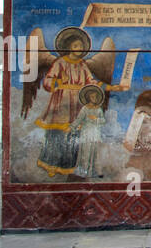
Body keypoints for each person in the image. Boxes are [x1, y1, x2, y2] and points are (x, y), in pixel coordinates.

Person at [35, 28, 117, 177]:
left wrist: (104, 87)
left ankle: (69, 165)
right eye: (75, 46)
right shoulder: (60, 63)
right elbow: (48, 80)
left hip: (78, 104)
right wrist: (56, 81)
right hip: (61, 102)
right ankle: (51, 164)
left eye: (80, 46)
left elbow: (90, 82)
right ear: (68, 47)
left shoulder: (82, 65)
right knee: (56, 134)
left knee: (73, 134)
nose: (78, 49)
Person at [70, 84, 106, 179]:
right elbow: (78, 120)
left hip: (95, 134)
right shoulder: (85, 109)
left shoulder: (98, 109)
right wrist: (71, 127)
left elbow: (103, 121)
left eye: (95, 96)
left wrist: (96, 119)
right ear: (88, 98)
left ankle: (97, 171)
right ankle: (84, 172)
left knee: (96, 154)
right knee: (85, 154)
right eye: (92, 97)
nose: (94, 98)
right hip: (86, 133)